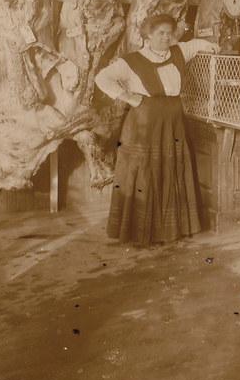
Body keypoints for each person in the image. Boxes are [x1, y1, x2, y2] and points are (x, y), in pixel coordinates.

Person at [94, 13, 219, 246]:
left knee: (171, 168)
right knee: (145, 170)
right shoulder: (132, 61)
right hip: (143, 123)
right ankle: (141, 231)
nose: (165, 37)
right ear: (148, 35)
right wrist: (128, 97)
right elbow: (102, 78)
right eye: (160, 33)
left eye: (168, 33)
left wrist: (214, 46)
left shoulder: (179, 52)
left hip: (173, 122)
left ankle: (172, 230)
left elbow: (200, 45)